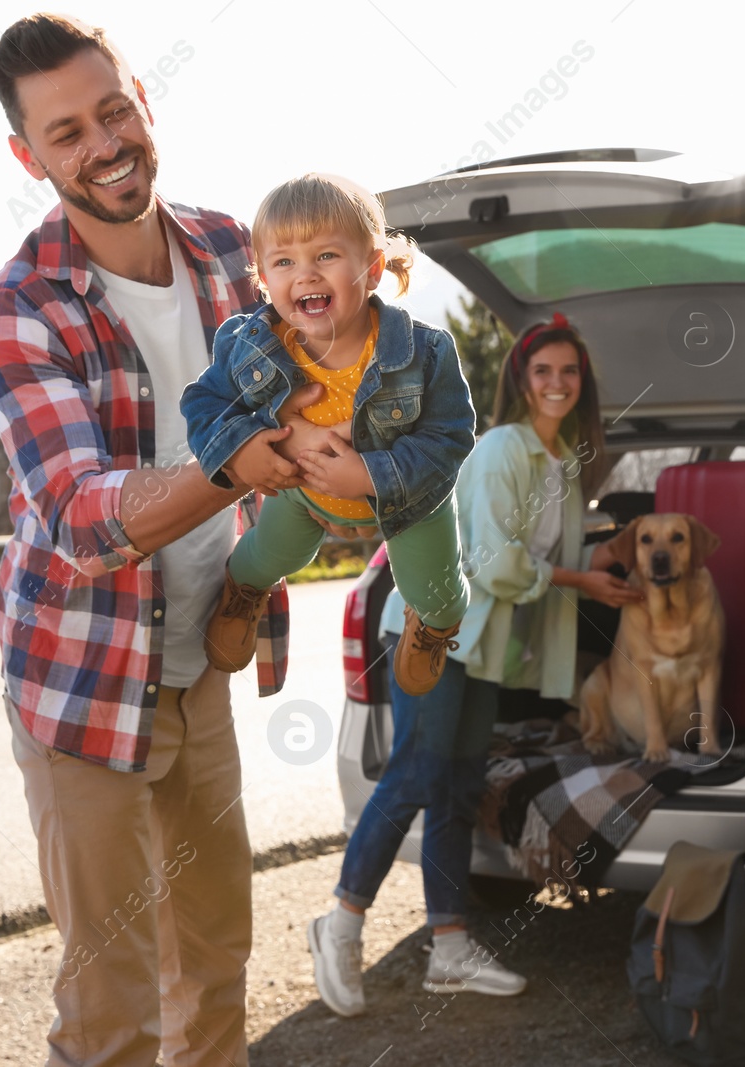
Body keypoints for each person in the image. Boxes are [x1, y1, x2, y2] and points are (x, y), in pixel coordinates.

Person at [0, 15, 322, 1066]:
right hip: (79, 680)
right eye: (67, 130)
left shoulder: (232, 250)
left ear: (145, 102)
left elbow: (331, 366)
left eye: (113, 109)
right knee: (112, 1010)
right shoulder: (17, 309)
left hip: (199, 657)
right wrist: (236, 468)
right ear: (30, 157)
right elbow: (82, 518)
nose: (104, 143)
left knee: (214, 967)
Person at [306, 312, 644, 1016]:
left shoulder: (558, 463)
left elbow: (544, 557)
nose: (556, 382)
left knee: (460, 786)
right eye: (543, 369)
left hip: (481, 645)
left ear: (583, 385)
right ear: (521, 378)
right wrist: (583, 582)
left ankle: (451, 947)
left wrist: (599, 559)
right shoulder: (501, 450)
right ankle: (339, 923)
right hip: (433, 629)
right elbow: (496, 563)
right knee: (414, 775)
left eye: (568, 371)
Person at [182, 173, 475, 696]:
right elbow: (203, 404)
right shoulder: (251, 347)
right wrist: (247, 444)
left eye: (327, 257)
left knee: (437, 593)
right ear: (263, 279)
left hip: (409, 500)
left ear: (373, 268)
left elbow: (450, 438)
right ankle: (243, 589)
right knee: (269, 555)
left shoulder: (425, 353)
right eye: (285, 261)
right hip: (303, 487)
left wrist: (369, 473)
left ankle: (434, 626)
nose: (305, 275)